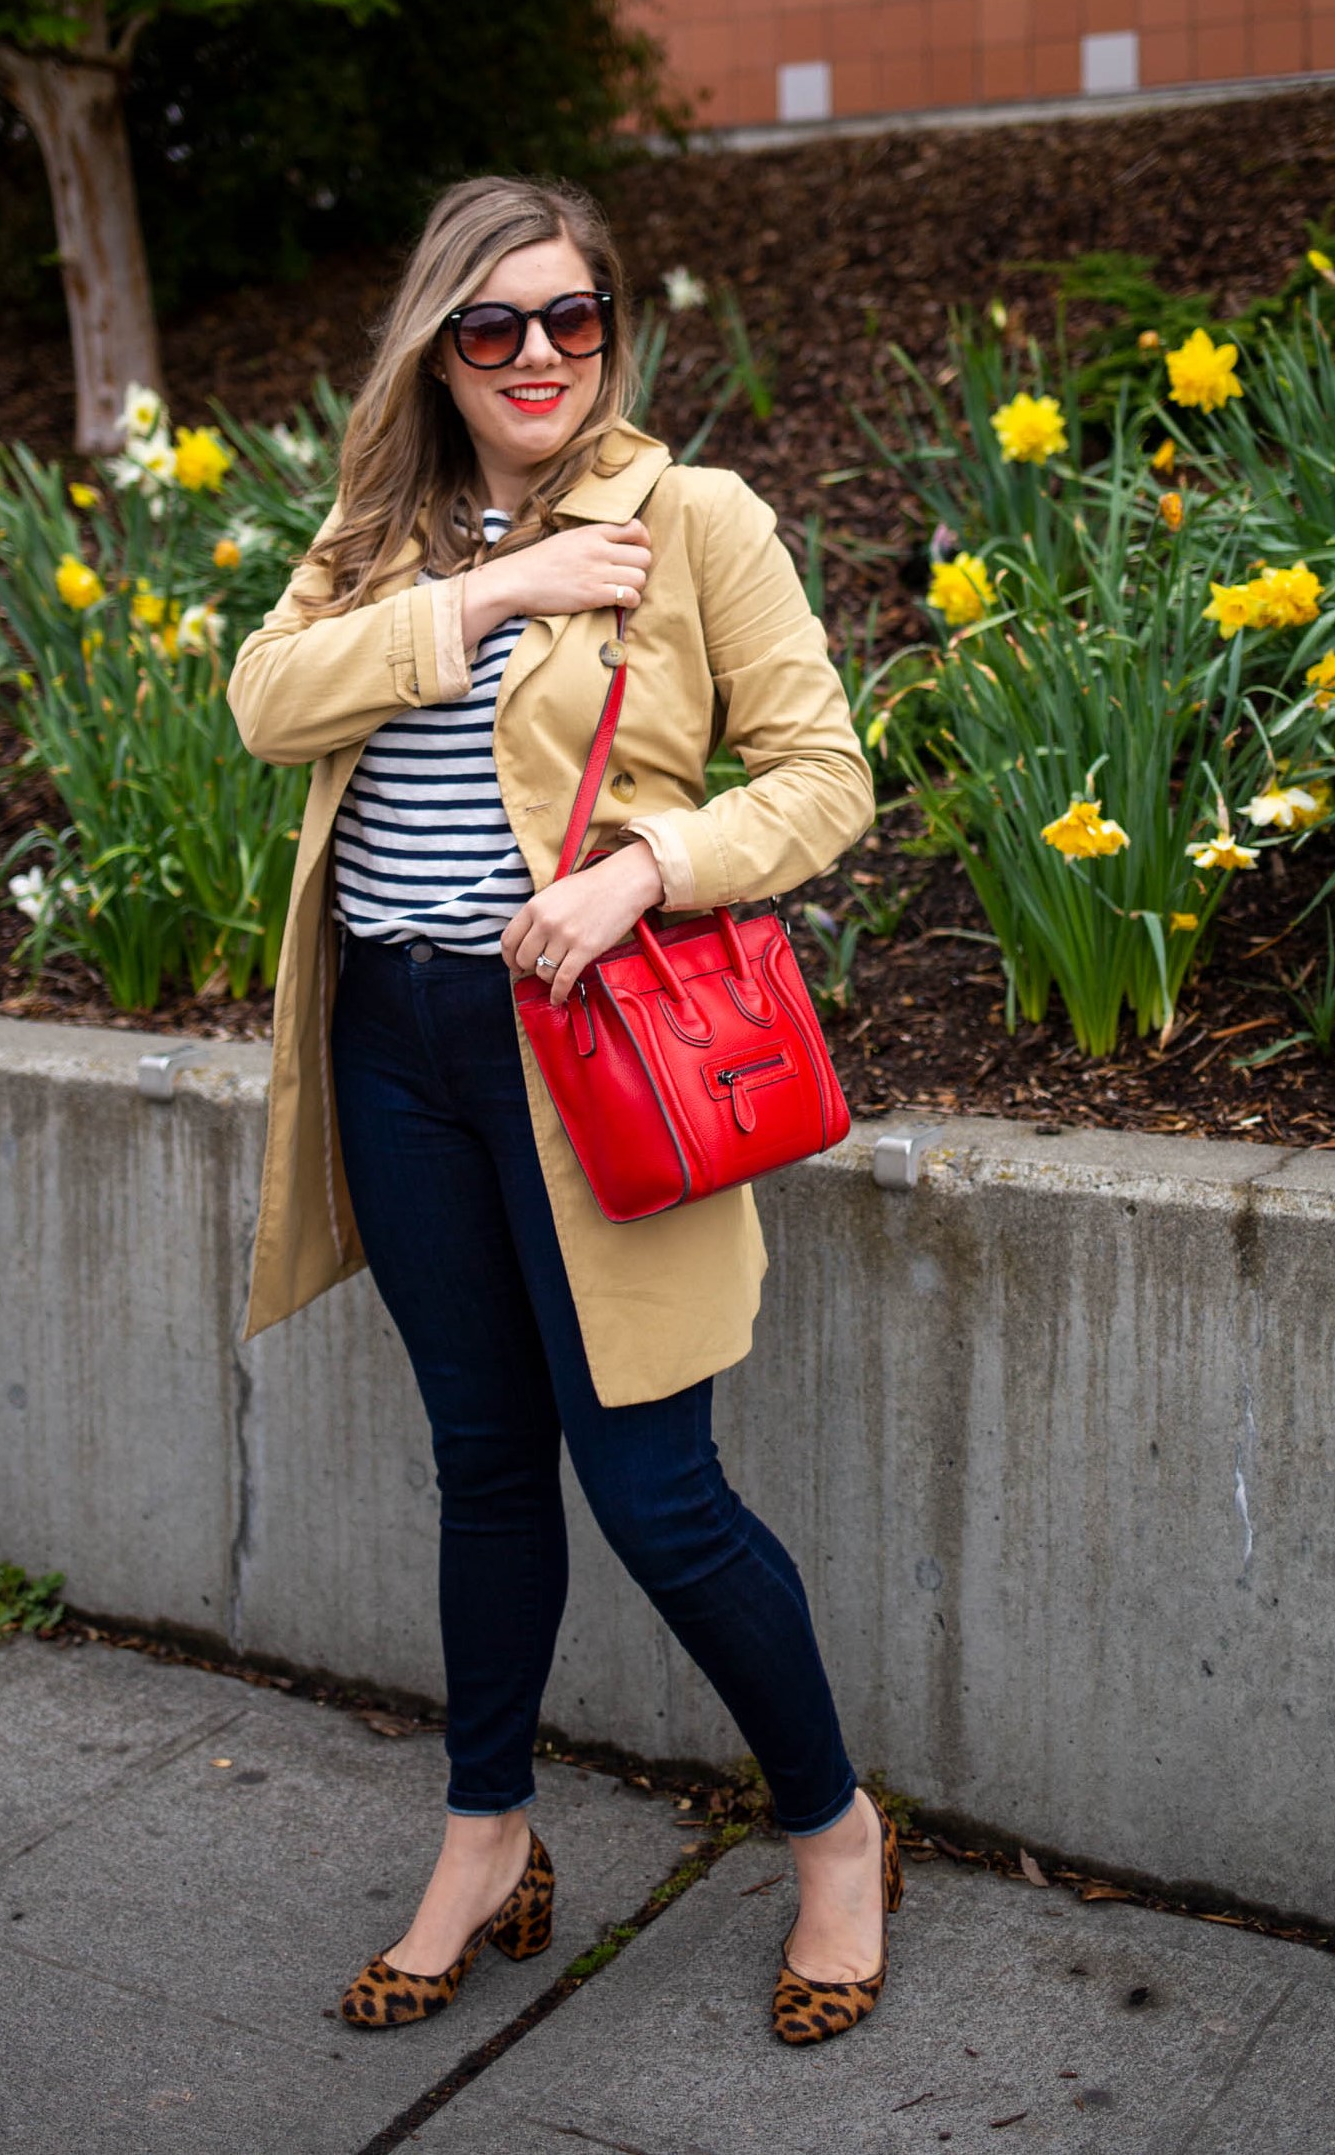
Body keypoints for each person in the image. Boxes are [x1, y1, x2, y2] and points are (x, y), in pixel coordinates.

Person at [227, 176, 896, 2046]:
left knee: (658, 1499)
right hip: (396, 1048)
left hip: (588, 1054)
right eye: (495, 326)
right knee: (486, 1466)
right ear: (436, 344)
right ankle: (486, 1832)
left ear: (613, 328)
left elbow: (827, 777)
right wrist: (497, 589)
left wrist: (652, 869)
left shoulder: (694, 519)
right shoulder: (378, 538)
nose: (540, 356)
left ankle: (834, 1833)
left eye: (574, 319)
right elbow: (265, 702)